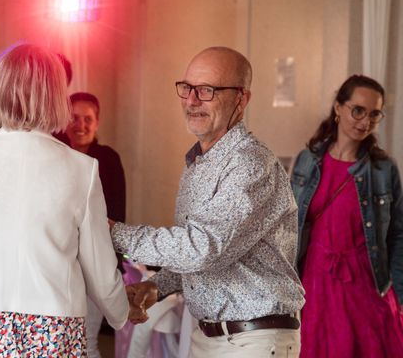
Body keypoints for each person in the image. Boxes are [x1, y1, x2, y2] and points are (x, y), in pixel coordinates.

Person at [0, 43, 128, 356]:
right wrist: (122, 313)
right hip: (52, 325)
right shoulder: (82, 169)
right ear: (56, 97)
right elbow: (99, 267)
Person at [110, 46, 304, 357]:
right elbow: (209, 256)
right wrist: (159, 286)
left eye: (206, 90)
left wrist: (114, 233)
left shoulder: (250, 163)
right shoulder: (200, 161)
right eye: (186, 88)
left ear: (241, 99)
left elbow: (203, 248)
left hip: (253, 340)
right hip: (209, 336)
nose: (191, 100)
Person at [291, 75, 403, 357]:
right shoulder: (307, 160)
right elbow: (287, 227)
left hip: (366, 285)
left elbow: (399, 235)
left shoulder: (384, 169)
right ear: (339, 108)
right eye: (358, 110)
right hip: (315, 284)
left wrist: (400, 295)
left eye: (374, 114)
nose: (365, 121)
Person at [64, 91, 126, 358]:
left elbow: (116, 215)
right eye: (75, 118)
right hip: (61, 261)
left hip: (94, 259)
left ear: (97, 122)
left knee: (86, 341)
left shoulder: (108, 159)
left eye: (87, 119)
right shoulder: (56, 154)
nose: (81, 125)